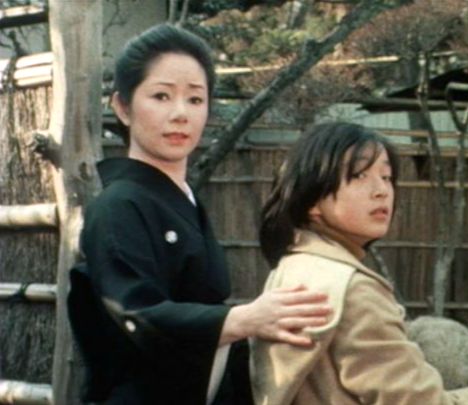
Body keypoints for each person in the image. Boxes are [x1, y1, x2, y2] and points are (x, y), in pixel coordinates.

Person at [67, 23, 332, 405]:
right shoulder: (118, 204)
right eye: (161, 96)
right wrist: (243, 319)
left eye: (195, 99)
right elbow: (134, 313)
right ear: (122, 107)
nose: (180, 114)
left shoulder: (183, 200)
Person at [250, 122, 468, 405]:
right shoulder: (353, 288)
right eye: (360, 175)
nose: (382, 190)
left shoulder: (296, 264)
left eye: (386, 177)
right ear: (312, 200)